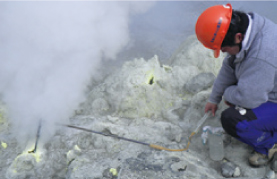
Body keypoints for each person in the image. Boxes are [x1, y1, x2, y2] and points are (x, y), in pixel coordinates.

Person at [195, 3, 277, 169]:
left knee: (232, 119)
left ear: (238, 37)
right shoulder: (250, 28)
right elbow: (229, 66)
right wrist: (214, 98)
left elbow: (248, 99)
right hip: (267, 86)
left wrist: (227, 93)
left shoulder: (261, 56)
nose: (224, 53)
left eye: (224, 49)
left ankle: (270, 146)